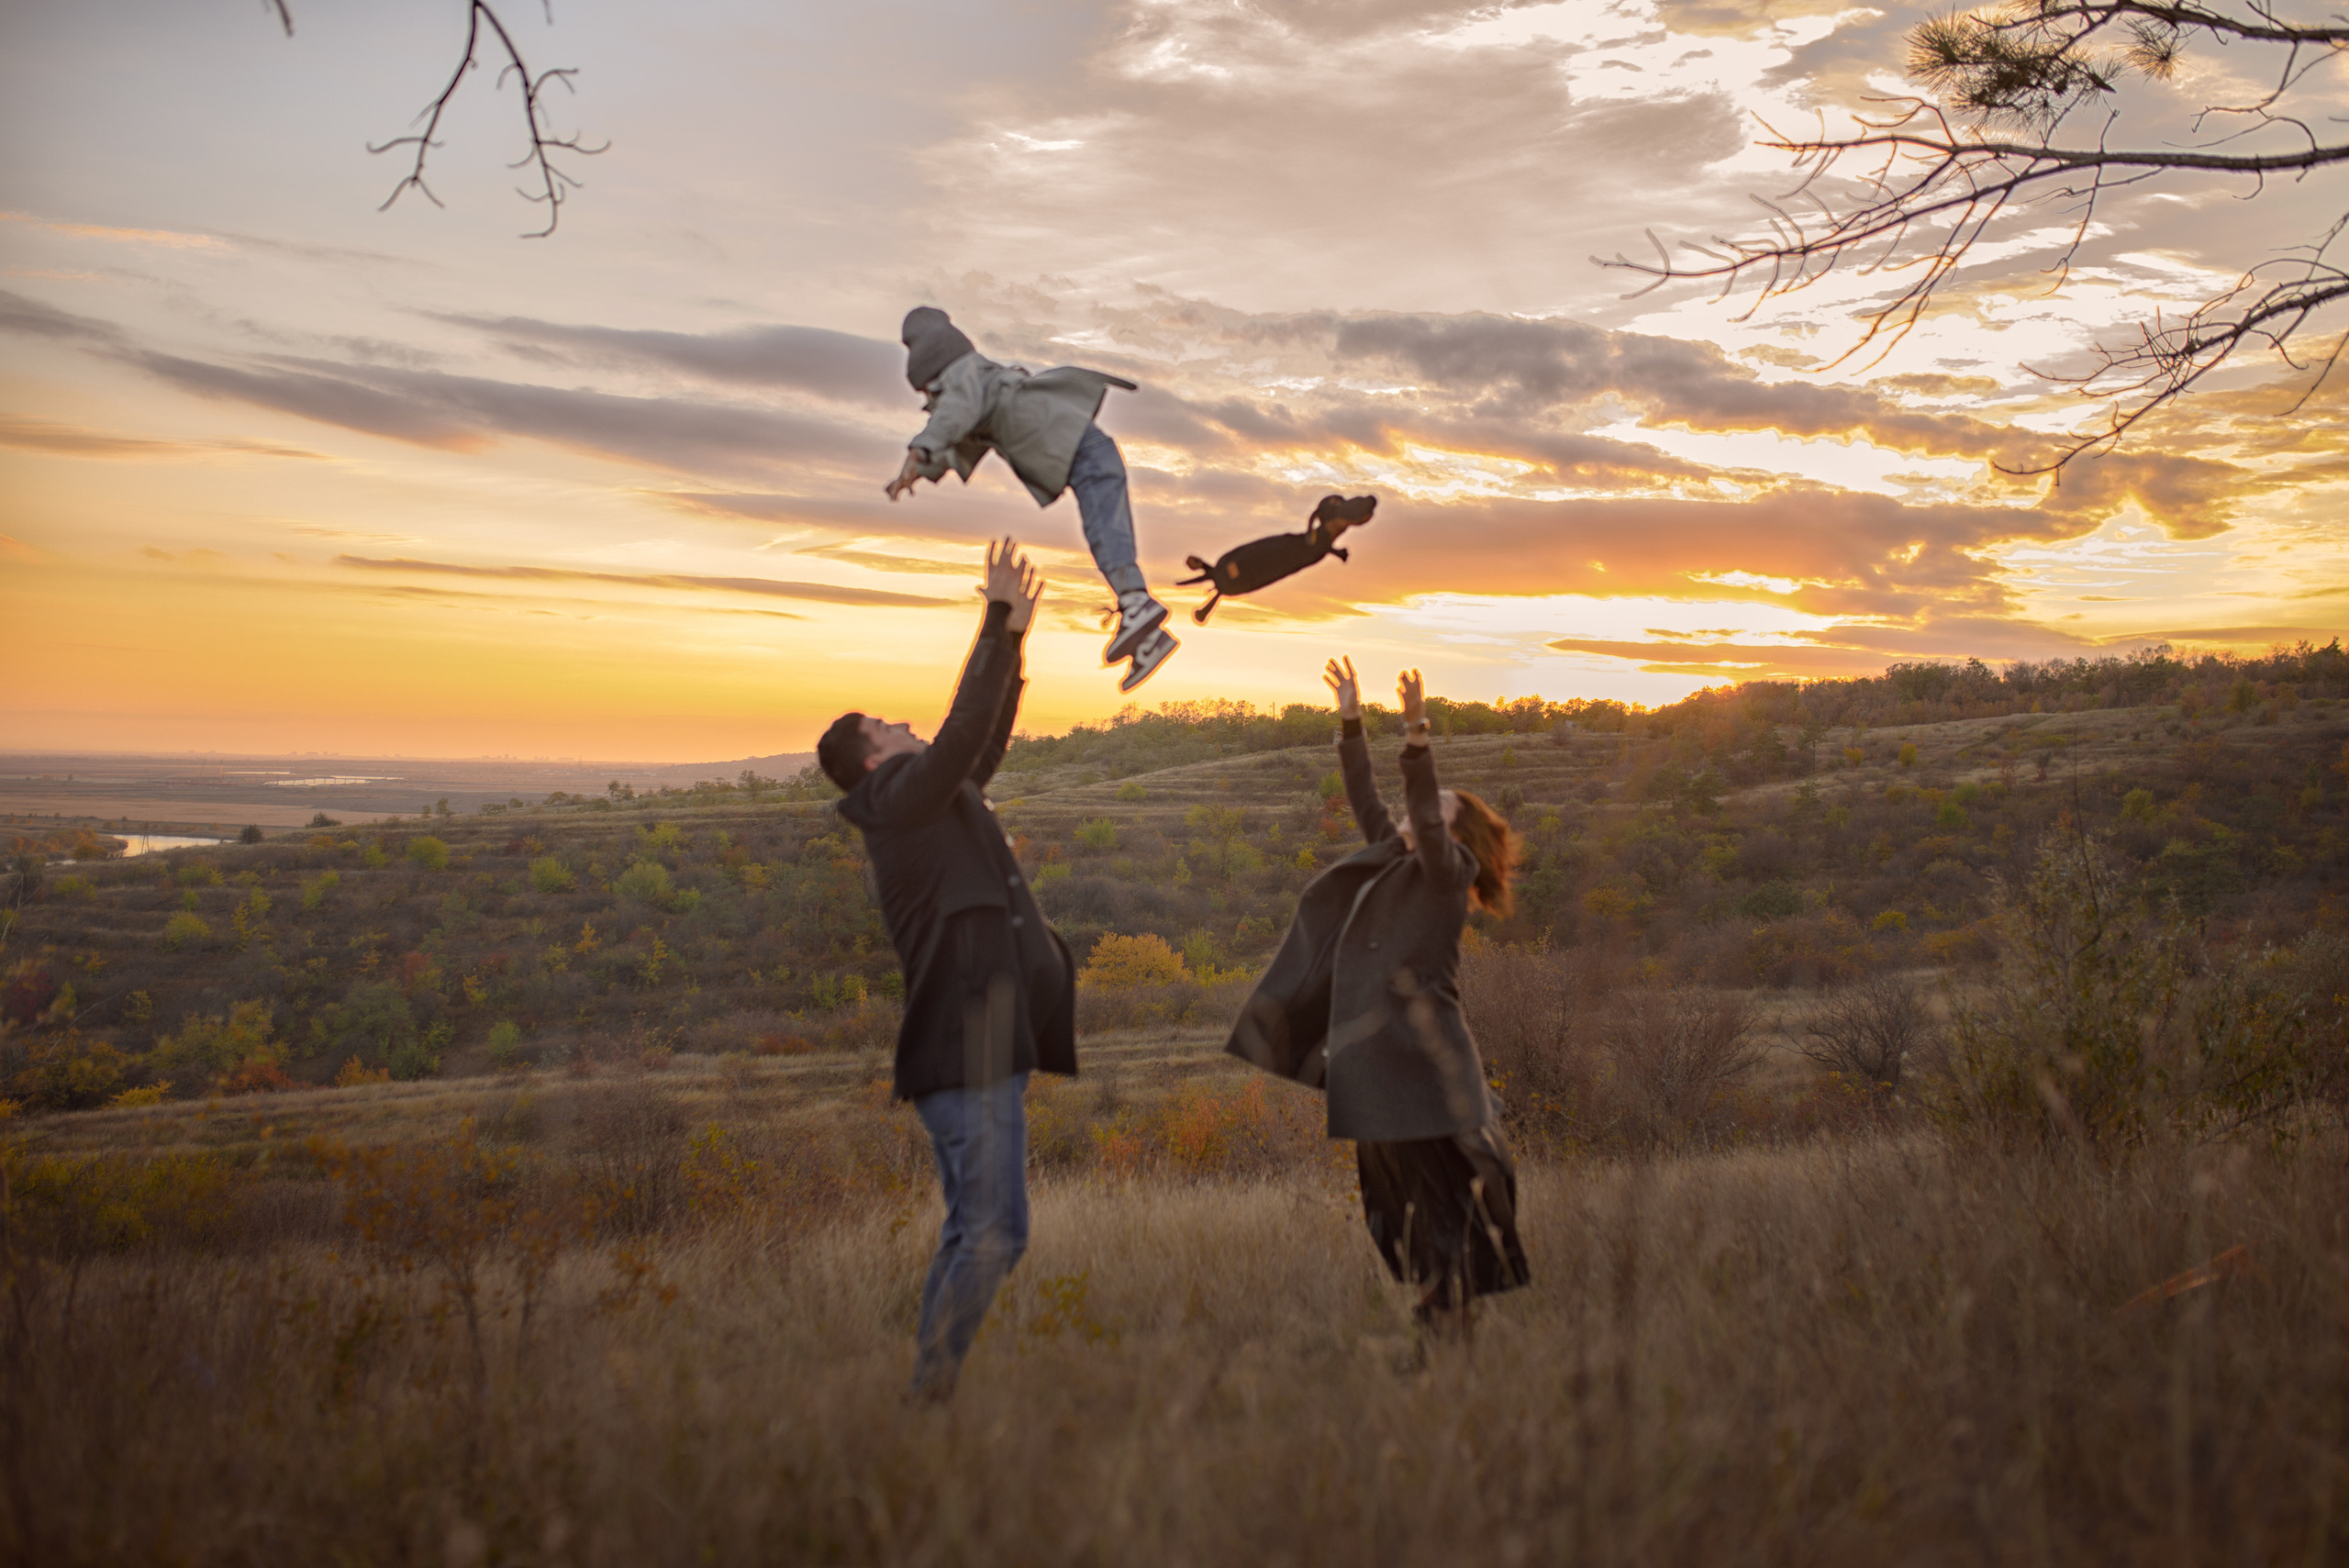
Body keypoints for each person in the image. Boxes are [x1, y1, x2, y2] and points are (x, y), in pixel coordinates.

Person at [818, 538, 1077, 1401]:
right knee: (992, 1236)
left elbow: (980, 741)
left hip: (981, 1045)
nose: (905, 724)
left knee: (986, 1232)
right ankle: (927, 1397)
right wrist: (993, 623)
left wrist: (1017, 645)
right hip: (960, 1049)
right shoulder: (890, 804)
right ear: (871, 758)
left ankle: (928, 1395)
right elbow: (960, 734)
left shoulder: (930, 801)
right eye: (888, 726)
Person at [1222, 657, 1531, 1339]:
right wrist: (1352, 719)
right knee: (1399, 1201)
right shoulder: (1395, 862)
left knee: (1439, 1196)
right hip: (1377, 1069)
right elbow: (1369, 799)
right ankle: (1446, 1319)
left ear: (1452, 835)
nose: (1410, 815)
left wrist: (1418, 732)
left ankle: (1446, 1329)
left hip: (1422, 1064)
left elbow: (1419, 804)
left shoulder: (1450, 874)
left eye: (1433, 811)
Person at [885, 306, 1180, 694]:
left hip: (1084, 450)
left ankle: (1136, 603)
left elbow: (953, 415)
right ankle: (1148, 639)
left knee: (1103, 531)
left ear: (935, 371)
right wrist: (919, 469)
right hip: (1088, 449)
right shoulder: (981, 386)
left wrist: (917, 452)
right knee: (1103, 531)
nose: (927, 401)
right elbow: (957, 438)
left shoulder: (966, 377)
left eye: (926, 391)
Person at [1177, 493, 1377, 626]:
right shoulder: (1315, 543)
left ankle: (1221, 577)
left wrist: (1335, 551)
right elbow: (1266, 555)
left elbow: (1308, 547)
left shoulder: (1315, 542)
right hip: (1271, 560)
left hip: (1278, 557)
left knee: (1294, 549)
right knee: (1287, 551)